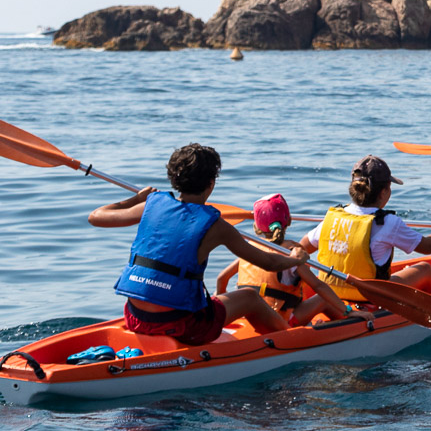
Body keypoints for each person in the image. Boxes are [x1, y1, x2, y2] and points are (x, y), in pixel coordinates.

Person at [90, 143, 314, 344]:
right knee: (249, 297)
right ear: (211, 183)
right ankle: (290, 341)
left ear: (174, 180)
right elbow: (267, 261)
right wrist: (294, 259)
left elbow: (96, 216)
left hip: (135, 316)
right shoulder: (216, 225)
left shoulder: (150, 205)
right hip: (183, 325)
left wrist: (137, 199)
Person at [299, 156, 431, 297]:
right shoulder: (388, 223)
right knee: (424, 269)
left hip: (330, 295)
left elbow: (301, 248)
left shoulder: (331, 218)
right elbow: (429, 247)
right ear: (384, 192)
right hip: (372, 297)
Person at [215, 193, 349, 326]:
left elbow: (221, 278)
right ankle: (349, 319)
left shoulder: (250, 249)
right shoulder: (293, 254)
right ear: (289, 221)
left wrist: (223, 311)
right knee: (322, 298)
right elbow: (318, 286)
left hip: (251, 317)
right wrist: (347, 310)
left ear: (256, 227)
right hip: (281, 321)